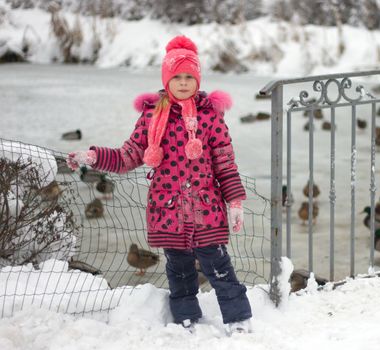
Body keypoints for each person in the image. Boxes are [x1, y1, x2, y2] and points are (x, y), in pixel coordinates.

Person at [67, 35, 252, 334]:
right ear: (166, 79)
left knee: (219, 268)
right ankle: (186, 319)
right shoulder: (152, 117)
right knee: (179, 272)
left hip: (206, 211)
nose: (182, 83)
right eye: (176, 76)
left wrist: (235, 201)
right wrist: (93, 156)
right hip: (167, 212)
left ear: (197, 79)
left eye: (189, 77)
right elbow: (127, 157)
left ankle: (239, 319)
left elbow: (225, 164)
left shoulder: (210, 117)